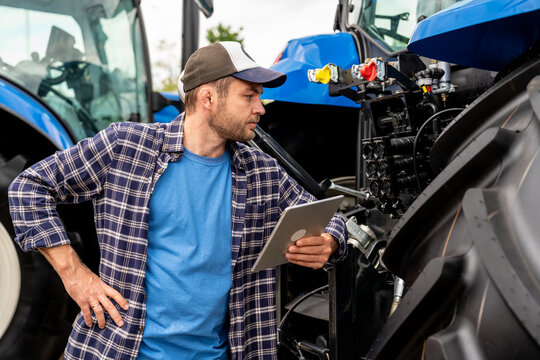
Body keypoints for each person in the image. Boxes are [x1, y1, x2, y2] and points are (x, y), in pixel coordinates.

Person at [8, 41, 347, 360]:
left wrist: (330, 241)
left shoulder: (261, 172)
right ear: (208, 98)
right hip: (120, 350)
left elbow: (331, 216)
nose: (260, 108)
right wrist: (74, 274)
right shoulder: (127, 147)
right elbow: (28, 187)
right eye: (249, 96)